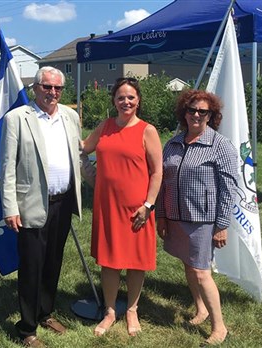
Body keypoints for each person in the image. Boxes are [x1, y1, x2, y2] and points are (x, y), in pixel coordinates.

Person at [0, 66, 85, 348]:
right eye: (47, 87)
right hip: (31, 204)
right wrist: (10, 207)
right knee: (32, 267)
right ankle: (27, 329)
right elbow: (7, 166)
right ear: (35, 87)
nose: (52, 93)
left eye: (58, 88)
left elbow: (78, 155)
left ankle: (45, 312)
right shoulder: (17, 118)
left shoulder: (71, 116)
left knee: (53, 262)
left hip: (62, 202)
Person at [81, 77, 163, 337]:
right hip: (107, 208)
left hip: (137, 210)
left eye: (130, 97)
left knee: (136, 262)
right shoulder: (104, 126)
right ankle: (109, 310)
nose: (125, 101)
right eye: (120, 97)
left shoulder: (147, 130)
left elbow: (157, 172)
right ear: (114, 101)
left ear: (138, 100)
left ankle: (132, 309)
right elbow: (83, 147)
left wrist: (148, 205)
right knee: (109, 261)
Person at [156, 89, 238, 346]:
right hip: (176, 216)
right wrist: (161, 215)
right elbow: (162, 183)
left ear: (212, 116)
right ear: (184, 113)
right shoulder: (172, 143)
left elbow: (229, 188)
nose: (196, 115)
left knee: (202, 272)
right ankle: (200, 309)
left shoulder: (220, 145)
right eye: (192, 110)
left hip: (203, 220)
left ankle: (219, 327)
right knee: (188, 265)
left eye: (203, 111)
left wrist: (222, 224)